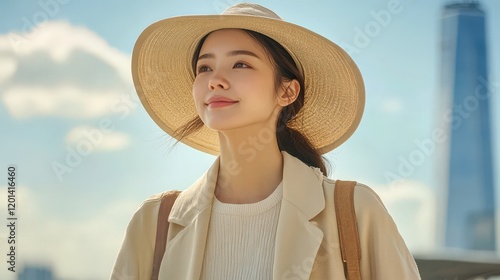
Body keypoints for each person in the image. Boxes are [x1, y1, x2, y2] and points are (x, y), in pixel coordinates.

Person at [111, 3, 420, 279]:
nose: (215, 79)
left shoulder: (355, 211)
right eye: (204, 68)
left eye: (240, 64)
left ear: (287, 91)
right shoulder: (154, 224)